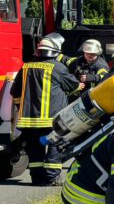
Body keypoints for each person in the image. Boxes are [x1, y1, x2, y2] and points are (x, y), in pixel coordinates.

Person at [10, 35, 79, 185]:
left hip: (28, 120)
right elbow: (73, 86)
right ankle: (52, 178)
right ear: (55, 52)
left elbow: (15, 92)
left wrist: (19, 108)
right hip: (51, 119)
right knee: (56, 145)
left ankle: (37, 178)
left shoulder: (26, 66)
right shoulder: (58, 67)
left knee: (34, 149)